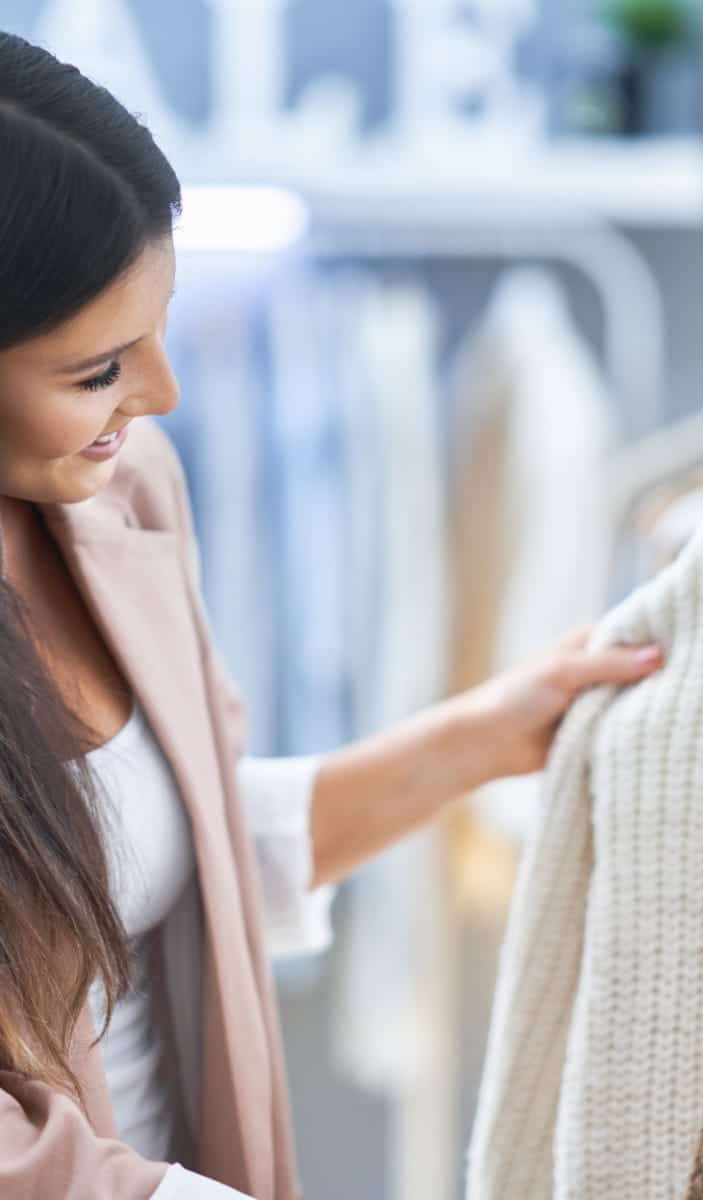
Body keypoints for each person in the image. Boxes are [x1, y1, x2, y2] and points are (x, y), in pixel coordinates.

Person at [0, 30, 663, 1200]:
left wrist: (484, 734)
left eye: (159, 331)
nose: (162, 394)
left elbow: (171, 846)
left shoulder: (123, 491)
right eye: (98, 369)